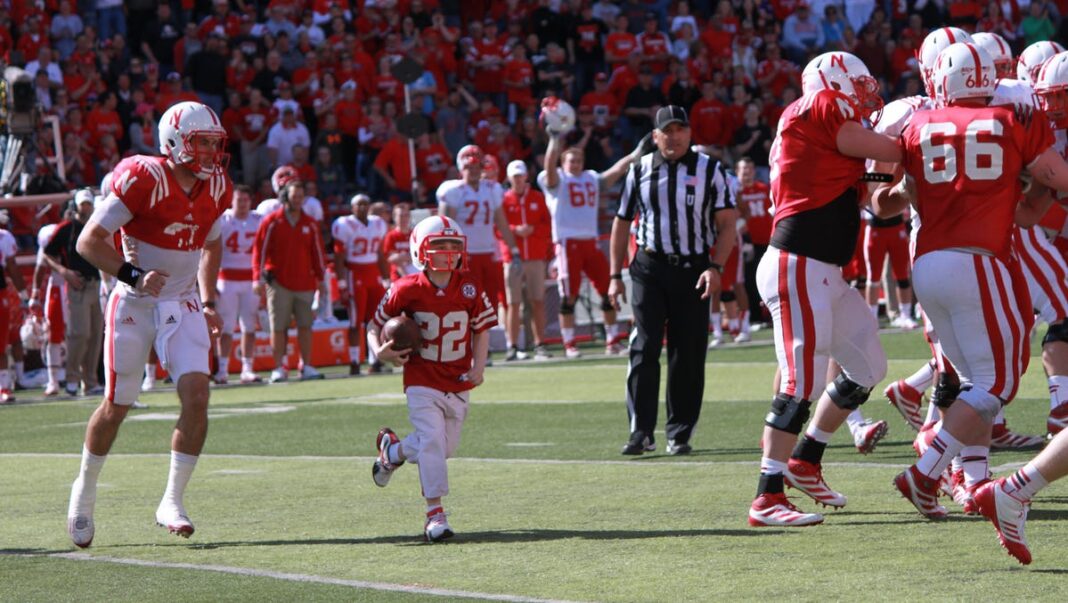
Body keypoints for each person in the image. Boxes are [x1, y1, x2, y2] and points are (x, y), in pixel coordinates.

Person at [875, 43, 1068, 523]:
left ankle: (970, 476)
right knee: (998, 381)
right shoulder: (1011, 119)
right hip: (979, 259)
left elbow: (882, 203)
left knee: (970, 381)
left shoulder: (916, 122)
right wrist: (1041, 183)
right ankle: (926, 468)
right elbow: (1049, 186)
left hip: (928, 263)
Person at [745, 52, 901, 527]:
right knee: (801, 381)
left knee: (869, 364)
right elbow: (879, 149)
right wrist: (918, 138)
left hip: (824, 270)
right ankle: (766, 495)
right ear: (834, 80)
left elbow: (881, 200)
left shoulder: (829, 143)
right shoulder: (818, 105)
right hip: (798, 262)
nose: (865, 94)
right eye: (859, 83)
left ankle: (806, 457)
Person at [66, 101, 231, 547]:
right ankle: (85, 488)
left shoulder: (216, 184)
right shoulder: (144, 177)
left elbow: (213, 243)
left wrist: (210, 298)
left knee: (198, 394)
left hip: (183, 301)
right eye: (202, 144)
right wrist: (134, 274)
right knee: (116, 406)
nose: (211, 154)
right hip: (135, 302)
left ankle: (172, 500)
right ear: (175, 142)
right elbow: (88, 242)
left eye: (215, 144)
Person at [608, 106, 737, 457]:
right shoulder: (640, 171)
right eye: (668, 130)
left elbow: (728, 224)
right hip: (649, 265)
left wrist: (715, 266)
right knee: (644, 345)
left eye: (681, 130)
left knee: (689, 351)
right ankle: (641, 431)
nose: (674, 136)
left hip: (694, 268)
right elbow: (621, 223)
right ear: (655, 136)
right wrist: (614, 275)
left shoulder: (711, 170)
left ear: (690, 134)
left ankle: (679, 432)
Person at [368, 215, 497, 542]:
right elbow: (373, 325)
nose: (449, 252)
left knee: (442, 447)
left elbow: (482, 329)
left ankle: (392, 453)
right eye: (440, 245)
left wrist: (479, 367)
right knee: (433, 441)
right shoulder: (406, 288)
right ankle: (434, 515)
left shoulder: (469, 285)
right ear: (420, 250)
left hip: (458, 378)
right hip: (421, 378)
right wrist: (379, 352)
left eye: (454, 245)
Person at [540, 109, 635, 358]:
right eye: (571, 161)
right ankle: (570, 343)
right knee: (568, 296)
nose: (575, 165)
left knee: (606, 290)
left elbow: (611, 175)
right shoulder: (557, 180)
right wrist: (553, 140)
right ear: (564, 163)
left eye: (578, 161)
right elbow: (549, 168)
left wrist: (633, 156)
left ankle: (613, 339)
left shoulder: (590, 178)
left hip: (590, 242)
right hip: (567, 242)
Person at [437, 144, 522, 358]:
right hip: (465, 256)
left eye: (477, 167)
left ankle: (483, 348)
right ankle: (466, 347)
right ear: (460, 168)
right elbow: (446, 226)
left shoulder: (491, 189)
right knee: (465, 302)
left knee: (488, 303)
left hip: (489, 253)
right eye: (469, 167)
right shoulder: (453, 191)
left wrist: (513, 249)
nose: (473, 171)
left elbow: (501, 222)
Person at [252, 179, 327, 383]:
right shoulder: (272, 221)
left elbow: (318, 252)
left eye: (300, 197)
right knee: (278, 327)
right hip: (278, 283)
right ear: (285, 197)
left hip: (305, 282)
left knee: (305, 326)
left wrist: (321, 279)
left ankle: (307, 365)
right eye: (294, 196)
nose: (297, 200)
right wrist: (256, 278)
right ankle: (278, 367)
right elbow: (260, 251)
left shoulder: (310, 223)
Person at [42, 190, 104, 397]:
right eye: (83, 204)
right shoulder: (67, 228)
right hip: (79, 286)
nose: (86, 207)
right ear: (76, 206)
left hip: (95, 284)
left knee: (96, 335)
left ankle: (90, 381)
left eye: (88, 204)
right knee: (80, 334)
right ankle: (71, 378)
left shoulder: (97, 227)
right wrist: (64, 271)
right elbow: (47, 252)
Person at [332, 193, 389, 376]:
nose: (363, 207)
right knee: (356, 321)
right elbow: (339, 256)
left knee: (376, 319)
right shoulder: (344, 224)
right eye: (359, 205)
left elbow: (380, 253)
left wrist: (386, 277)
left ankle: (375, 360)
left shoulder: (378, 224)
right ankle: (355, 360)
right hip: (354, 273)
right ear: (352, 208)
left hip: (373, 273)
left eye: (365, 204)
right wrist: (341, 282)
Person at [501, 160, 552, 361]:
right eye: (515, 176)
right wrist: (515, 231)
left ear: (526, 176)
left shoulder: (538, 198)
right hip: (512, 257)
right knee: (513, 303)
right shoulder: (504, 200)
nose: (518, 180)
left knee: (537, 301)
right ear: (509, 178)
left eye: (521, 176)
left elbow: (547, 225)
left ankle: (539, 343)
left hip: (535, 257)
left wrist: (532, 230)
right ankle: (512, 345)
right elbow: (498, 227)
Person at [214, 185, 263, 385]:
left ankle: (247, 369)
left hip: (251, 281)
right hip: (226, 280)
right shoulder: (223, 220)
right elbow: (210, 250)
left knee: (249, 326)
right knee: (225, 327)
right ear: (231, 201)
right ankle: (223, 370)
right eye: (238, 200)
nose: (242, 204)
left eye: (245, 200)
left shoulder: (258, 220)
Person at [0, 215, 27, 403]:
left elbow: (12, 267)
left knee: (2, 341)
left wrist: (24, 295)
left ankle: (4, 386)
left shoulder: (4, 237)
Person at [382, 203, 417, 282]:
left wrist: (402, 256)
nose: (404, 218)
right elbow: (392, 259)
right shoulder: (391, 236)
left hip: (416, 276)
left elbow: (421, 255)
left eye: (406, 215)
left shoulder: (414, 234)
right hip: (398, 277)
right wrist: (411, 256)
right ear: (394, 217)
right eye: (401, 216)